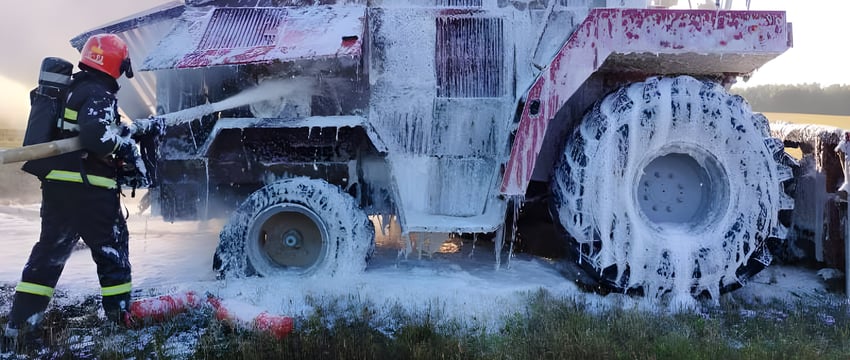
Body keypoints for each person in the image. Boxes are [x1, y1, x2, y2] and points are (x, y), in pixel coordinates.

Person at [2, 33, 148, 350]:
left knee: (48, 256)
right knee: (112, 254)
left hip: (59, 189)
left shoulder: (71, 89)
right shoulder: (99, 92)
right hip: (90, 192)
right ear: (115, 63)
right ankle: (120, 322)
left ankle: (20, 328)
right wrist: (123, 146)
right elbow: (98, 138)